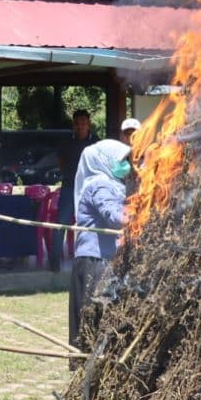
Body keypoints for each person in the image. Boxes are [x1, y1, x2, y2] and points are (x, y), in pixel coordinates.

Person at [70, 139, 130, 352]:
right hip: (95, 263)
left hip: (103, 259)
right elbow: (115, 218)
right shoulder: (99, 185)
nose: (126, 165)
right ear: (105, 160)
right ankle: (88, 371)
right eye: (121, 160)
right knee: (92, 319)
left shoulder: (113, 184)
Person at [53, 109, 99, 270]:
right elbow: (59, 158)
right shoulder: (67, 141)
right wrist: (66, 173)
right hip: (69, 187)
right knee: (61, 224)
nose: (81, 126)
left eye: (84, 123)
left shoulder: (96, 141)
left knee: (92, 224)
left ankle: (92, 262)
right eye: (78, 123)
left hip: (89, 188)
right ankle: (54, 263)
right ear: (74, 125)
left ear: (89, 124)